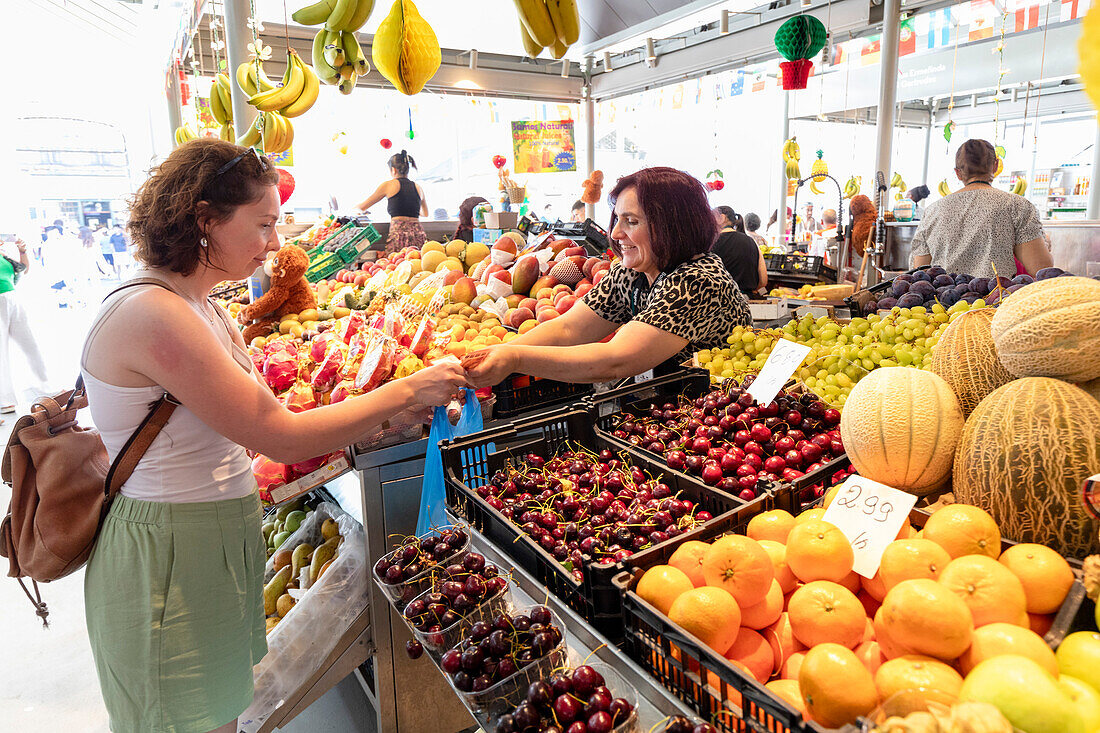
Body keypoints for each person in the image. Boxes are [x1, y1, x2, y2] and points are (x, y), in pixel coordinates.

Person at [80, 139, 468, 733]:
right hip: (169, 555)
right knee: (183, 719)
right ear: (205, 220)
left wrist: (381, 416)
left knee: (217, 716)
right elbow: (276, 435)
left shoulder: (197, 304)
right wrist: (405, 392)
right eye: (264, 224)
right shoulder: (155, 314)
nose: (276, 244)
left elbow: (255, 419)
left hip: (207, 540)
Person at [464, 167, 750, 387]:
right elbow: (569, 329)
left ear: (673, 227)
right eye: (618, 219)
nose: (615, 233)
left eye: (632, 222)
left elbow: (616, 359)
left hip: (720, 424)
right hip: (670, 415)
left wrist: (513, 359)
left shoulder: (697, 281)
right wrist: (494, 353)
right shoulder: (631, 272)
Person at [912, 139, 1052, 277]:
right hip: (998, 297)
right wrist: (1044, 244)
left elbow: (920, 272)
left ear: (958, 173)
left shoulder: (932, 211)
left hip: (945, 297)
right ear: (995, 166)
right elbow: (1041, 268)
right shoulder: (1017, 206)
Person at [0, 237, 50, 414]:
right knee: (2, 352)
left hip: (12, 298)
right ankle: (4, 400)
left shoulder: (4, 255)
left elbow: (23, 270)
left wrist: (22, 252)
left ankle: (45, 386)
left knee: (30, 344)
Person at [355, 150, 428, 255]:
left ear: (393, 170)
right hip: (418, 234)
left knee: (397, 266)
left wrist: (353, 210)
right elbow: (425, 214)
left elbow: (362, 207)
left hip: (399, 235)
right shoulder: (418, 187)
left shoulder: (389, 185)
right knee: (417, 266)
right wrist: (411, 209)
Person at [712, 206, 767, 296]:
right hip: (747, 302)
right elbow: (763, 281)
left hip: (720, 301)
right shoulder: (751, 241)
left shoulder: (711, 243)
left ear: (721, 218)